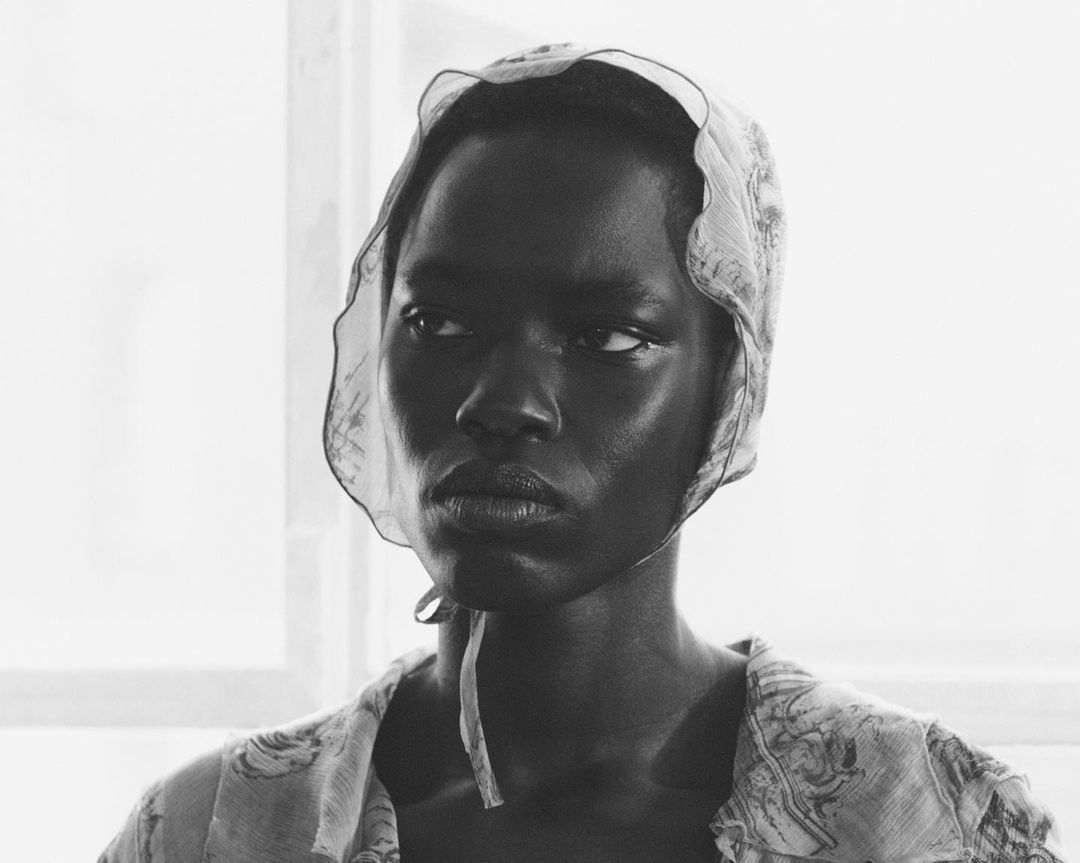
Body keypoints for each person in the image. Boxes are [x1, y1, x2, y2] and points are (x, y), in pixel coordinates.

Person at [100, 44, 1067, 863]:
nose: (500, 403)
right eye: (440, 323)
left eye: (608, 337)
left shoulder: (922, 822)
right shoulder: (211, 830)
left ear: (728, 386)